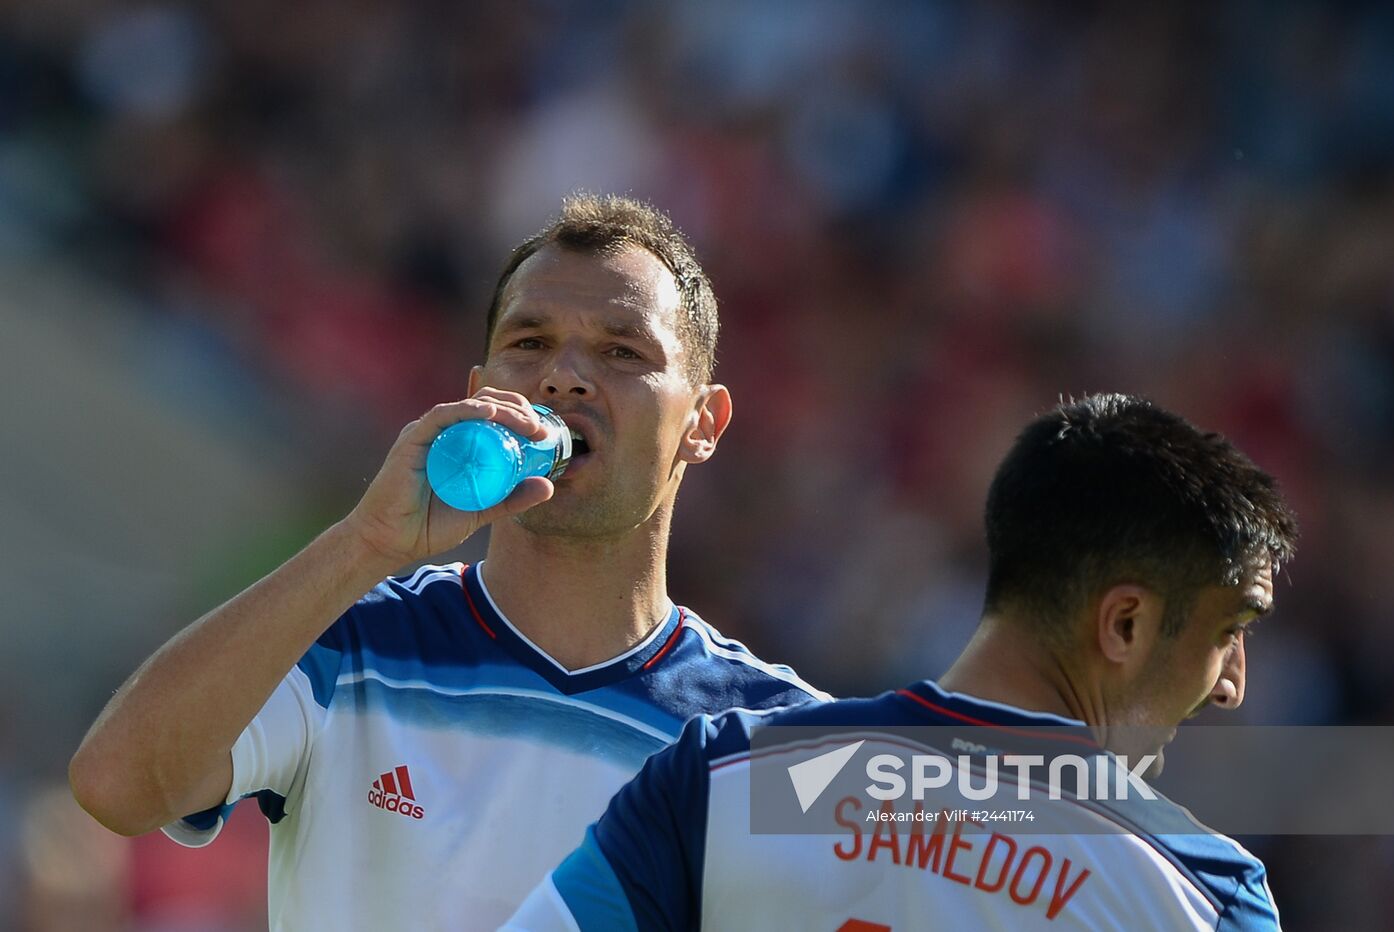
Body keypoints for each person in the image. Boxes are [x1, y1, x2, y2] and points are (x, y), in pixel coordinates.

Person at [68, 193, 828, 930]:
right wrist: (364, 545)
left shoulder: (773, 742)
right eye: (528, 342)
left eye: (621, 350)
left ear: (704, 421)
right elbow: (115, 788)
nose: (562, 376)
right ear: (479, 393)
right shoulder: (348, 643)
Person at [506, 393, 1300, 931]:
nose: (1231, 684)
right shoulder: (1198, 897)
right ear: (1123, 624)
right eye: (1228, 630)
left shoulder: (723, 776)